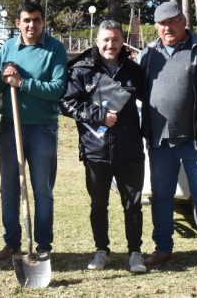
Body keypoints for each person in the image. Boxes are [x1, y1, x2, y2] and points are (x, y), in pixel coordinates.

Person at [138, 1, 197, 272]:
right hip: (160, 141)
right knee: (161, 197)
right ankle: (163, 249)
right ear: (156, 27)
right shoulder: (148, 54)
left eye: (172, 21)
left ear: (183, 21)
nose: (168, 27)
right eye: (162, 23)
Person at [59, 20, 146, 273]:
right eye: (106, 40)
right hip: (95, 151)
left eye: (116, 40)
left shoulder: (134, 71)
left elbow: (150, 103)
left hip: (130, 150)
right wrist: (98, 115)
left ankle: (135, 252)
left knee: (133, 204)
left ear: (122, 42)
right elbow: (65, 103)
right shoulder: (82, 70)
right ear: (97, 41)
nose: (111, 45)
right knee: (98, 203)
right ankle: (101, 250)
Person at [0, 1, 68, 260]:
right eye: (26, 20)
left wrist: (23, 83)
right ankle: (12, 243)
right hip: (11, 127)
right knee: (9, 188)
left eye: (36, 20)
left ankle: (43, 246)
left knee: (42, 189)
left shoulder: (54, 49)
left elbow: (57, 89)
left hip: (43, 129)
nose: (31, 25)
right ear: (18, 23)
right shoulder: (9, 48)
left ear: (43, 21)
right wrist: (2, 76)